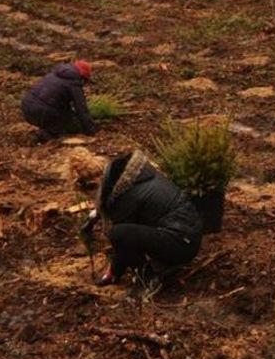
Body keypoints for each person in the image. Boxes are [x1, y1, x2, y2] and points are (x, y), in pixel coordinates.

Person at [81, 149, 204, 287]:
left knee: (117, 233)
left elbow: (122, 240)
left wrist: (114, 272)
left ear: (94, 186)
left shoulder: (127, 196)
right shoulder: (139, 176)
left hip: (181, 245)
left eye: (90, 196)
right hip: (188, 235)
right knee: (122, 233)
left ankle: (147, 278)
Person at [20, 60, 97, 143]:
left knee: (59, 112)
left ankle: (48, 128)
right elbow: (82, 110)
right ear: (82, 77)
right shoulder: (74, 83)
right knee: (73, 126)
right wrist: (90, 130)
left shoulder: (55, 74)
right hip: (42, 113)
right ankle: (47, 134)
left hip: (26, 108)